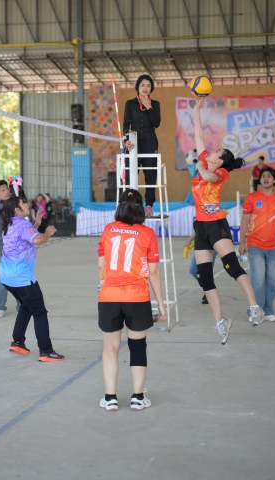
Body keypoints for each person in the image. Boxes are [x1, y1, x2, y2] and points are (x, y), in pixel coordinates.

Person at [191, 97, 263, 344]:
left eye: (216, 151)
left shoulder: (220, 172)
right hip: (201, 226)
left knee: (232, 266)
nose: (211, 151)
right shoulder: (205, 160)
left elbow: (208, 177)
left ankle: (254, 306)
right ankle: (221, 322)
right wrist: (196, 111)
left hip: (216, 225)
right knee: (204, 277)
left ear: (220, 160)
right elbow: (198, 135)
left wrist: (200, 166)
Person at [97, 189, 167, 411]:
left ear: (119, 206)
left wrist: (107, 285)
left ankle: (110, 398)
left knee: (110, 348)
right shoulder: (147, 233)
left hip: (109, 296)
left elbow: (101, 266)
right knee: (137, 347)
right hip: (137, 297)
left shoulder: (108, 230)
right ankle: (137, 398)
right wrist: (161, 304)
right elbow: (153, 272)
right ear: (141, 208)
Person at [0, 195, 64, 362]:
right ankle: (46, 351)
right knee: (39, 312)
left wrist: (36, 224)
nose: (27, 204)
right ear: (17, 210)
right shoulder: (22, 224)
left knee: (26, 306)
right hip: (22, 278)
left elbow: (25, 238)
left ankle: (17, 341)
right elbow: (39, 239)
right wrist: (47, 232)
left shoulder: (10, 223)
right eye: (23, 203)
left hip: (6, 277)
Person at [239, 166, 275, 322]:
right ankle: (255, 310)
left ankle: (268, 310)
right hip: (255, 244)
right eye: (263, 176)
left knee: (272, 280)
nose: (265, 178)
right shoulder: (252, 197)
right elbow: (245, 221)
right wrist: (242, 242)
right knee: (258, 279)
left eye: (269, 176)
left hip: (274, 246)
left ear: (274, 180)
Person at [123, 74, 161, 217]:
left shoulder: (155, 104)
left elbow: (156, 123)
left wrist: (149, 107)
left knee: (151, 174)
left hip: (150, 141)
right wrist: (126, 140)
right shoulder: (130, 103)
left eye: (148, 85)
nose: (145, 88)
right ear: (137, 87)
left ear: (152, 88)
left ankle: (149, 206)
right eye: (143, 85)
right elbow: (126, 124)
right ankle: (131, 205)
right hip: (134, 142)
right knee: (130, 174)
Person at [0, 180, 20, 318]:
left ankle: (21, 306)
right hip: (4, 249)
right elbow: (12, 220)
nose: (6, 192)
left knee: (18, 276)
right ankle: (0, 307)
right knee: (4, 278)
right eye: (2, 190)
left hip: (16, 247)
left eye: (7, 189)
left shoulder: (11, 205)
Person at [185, 229, 218, 305]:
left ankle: (210, 292)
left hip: (212, 243)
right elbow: (198, 227)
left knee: (207, 271)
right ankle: (209, 289)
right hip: (200, 243)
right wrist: (189, 240)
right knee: (193, 270)